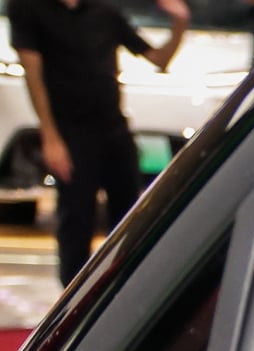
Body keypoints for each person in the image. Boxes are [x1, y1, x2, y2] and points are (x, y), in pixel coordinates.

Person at [8, 0, 188, 285]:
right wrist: (50, 136)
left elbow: (158, 59)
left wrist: (179, 23)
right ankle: (73, 297)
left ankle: (126, 286)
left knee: (129, 217)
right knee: (76, 221)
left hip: (113, 127)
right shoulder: (29, 8)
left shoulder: (104, 10)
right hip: (71, 131)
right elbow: (33, 73)